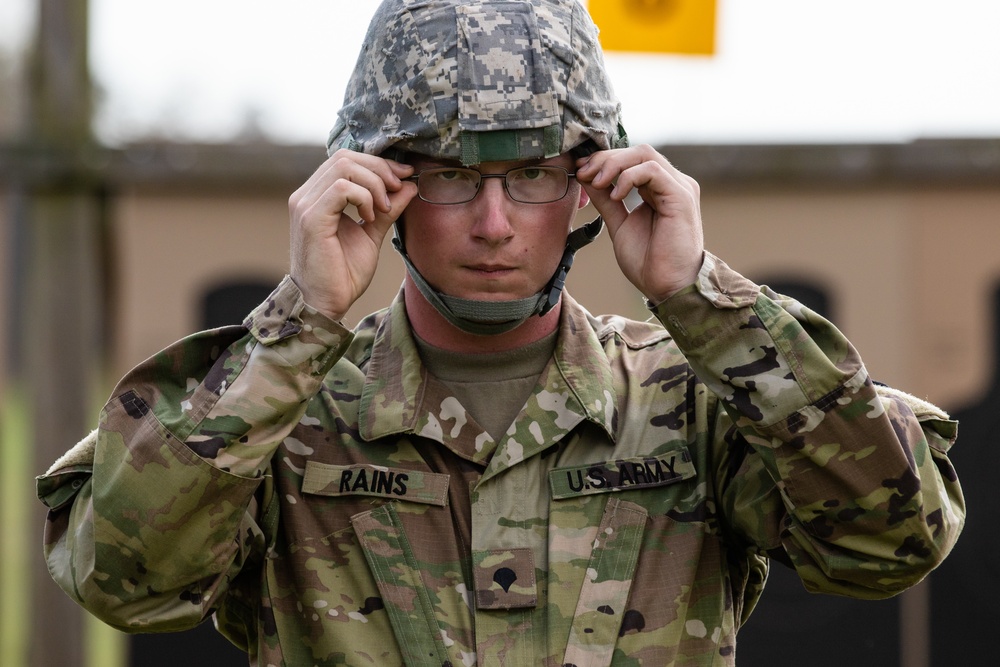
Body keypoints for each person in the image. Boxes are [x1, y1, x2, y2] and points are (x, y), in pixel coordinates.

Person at [37, 1, 964, 665]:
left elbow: (892, 542)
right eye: (447, 175)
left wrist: (703, 298)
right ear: (379, 185)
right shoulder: (287, 411)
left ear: (596, 184)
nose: (493, 223)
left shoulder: (691, 398)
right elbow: (126, 581)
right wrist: (298, 323)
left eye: (531, 173)